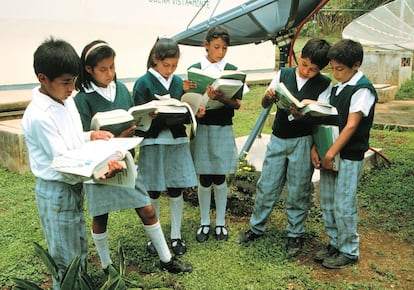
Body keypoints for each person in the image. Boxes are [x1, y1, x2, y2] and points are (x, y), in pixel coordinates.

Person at [74, 40, 192, 273]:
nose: (110, 73)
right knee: (100, 216)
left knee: (146, 208)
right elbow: (82, 137)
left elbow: (133, 123)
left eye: (112, 67)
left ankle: (166, 259)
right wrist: (104, 136)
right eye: (103, 69)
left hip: (125, 161)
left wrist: (142, 121)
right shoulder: (82, 99)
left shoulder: (121, 91)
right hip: (99, 167)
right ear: (88, 70)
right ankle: (107, 266)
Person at [21, 37, 124, 289]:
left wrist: (90, 136)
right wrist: (99, 170)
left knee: (78, 249)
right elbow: (64, 162)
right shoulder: (39, 116)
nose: (71, 88)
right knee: (65, 262)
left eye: (74, 81)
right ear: (42, 78)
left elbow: (70, 140)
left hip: (72, 187)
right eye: (66, 82)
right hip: (57, 190)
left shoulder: (64, 102)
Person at [237, 38, 332, 258]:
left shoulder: (324, 84)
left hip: (303, 140)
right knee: (267, 184)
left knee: (299, 189)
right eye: (304, 64)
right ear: (300, 57)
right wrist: (267, 96)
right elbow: (264, 103)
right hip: (279, 138)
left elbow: (322, 117)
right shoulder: (284, 74)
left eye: (313, 69)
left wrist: (306, 119)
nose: (306, 71)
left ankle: (295, 234)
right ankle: (256, 227)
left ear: (321, 69)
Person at [311, 39, 377, 269]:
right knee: (328, 201)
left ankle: (349, 250)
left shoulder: (362, 90)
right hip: (328, 151)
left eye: (340, 69)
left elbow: (351, 126)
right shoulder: (334, 87)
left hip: (348, 155)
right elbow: (320, 115)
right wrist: (316, 149)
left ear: (356, 65)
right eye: (333, 68)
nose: (336, 73)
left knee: (344, 203)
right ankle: (335, 243)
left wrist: (330, 153)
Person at [132, 37, 197, 255]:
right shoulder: (143, 83)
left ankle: (176, 235)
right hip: (153, 142)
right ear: (154, 60)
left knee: (175, 187)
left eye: (174, 66)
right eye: (166, 65)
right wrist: (154, 116)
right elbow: (138, 118)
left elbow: (184, 107)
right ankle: (155, 237)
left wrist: (191, 110)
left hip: (176, 141)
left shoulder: (178, 82)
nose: (170, 70)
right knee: (153, 189)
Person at [184, 25, 246, 243]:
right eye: (216, 47)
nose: (220, 52)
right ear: (206, 45)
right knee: (204, 176)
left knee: (219, 175)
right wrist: (189, 95)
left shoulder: (231, 70)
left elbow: (237, 104)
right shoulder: (194, 69)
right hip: (201, 127)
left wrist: (220, 98)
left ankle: (220, 221)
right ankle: (204, 221)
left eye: (224, 48)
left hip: (222, 127)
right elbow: (187, 102)